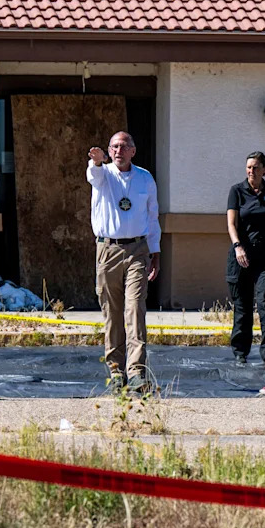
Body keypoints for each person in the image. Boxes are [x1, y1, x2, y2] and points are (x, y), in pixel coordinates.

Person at [87, 131, 161, 394]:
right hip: (108, 250)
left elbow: (152, 216)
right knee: (112, 312)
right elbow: (93, 176)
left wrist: (155, 252)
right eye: (114, 147)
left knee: (135, 308)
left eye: (123, 146)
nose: (119, 151)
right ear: (109, 151)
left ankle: (137, 371)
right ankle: (117, 371)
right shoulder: (103, 174)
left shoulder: (145, 178)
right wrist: (96, 162)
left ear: (133, 151)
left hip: (138, 250)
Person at [226, 151, 265, 368]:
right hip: (242, 256)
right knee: (243, 305)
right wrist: (237, 246)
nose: (251, 171)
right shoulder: (237, 191)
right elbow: (231, 224)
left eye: (256, 167)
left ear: (264, 170)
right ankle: (240, 351)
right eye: (249, 167)